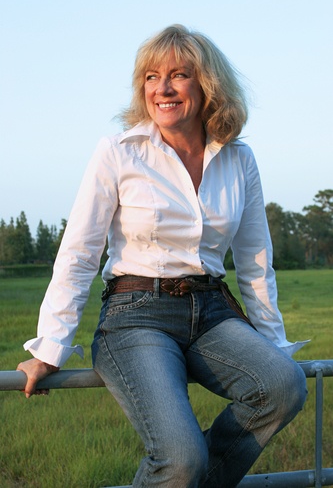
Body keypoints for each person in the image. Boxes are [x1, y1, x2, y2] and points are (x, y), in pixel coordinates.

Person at [17, 24, 307, 487]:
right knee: (180, 455)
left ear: (207, 84)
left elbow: (254, 258)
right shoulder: (118, 152)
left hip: (213, 313)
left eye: (179, 75)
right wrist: (50, 348)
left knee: (284, 385)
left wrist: (272, 345)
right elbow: (79, 252)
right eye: (151, 77)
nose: (163, 88)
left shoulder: (238, 159)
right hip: (136, 316)